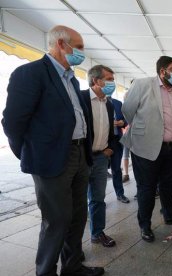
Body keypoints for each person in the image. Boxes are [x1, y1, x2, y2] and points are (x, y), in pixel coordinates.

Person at [2, 25, 104, 276]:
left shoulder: (71, 78)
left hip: (80, 155)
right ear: (61, 44)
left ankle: (72, 267)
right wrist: (32, 154)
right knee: (56, 221)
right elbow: (13, 122)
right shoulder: (31, 73)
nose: (81, 53)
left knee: (78, 216)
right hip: (52, 160)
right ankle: (45, 272)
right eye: (78, 47)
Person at [121, 56, 172, 243]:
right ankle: (145, 225)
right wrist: (143, 129)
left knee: (169, 184)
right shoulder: (143, 85)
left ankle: (170, 214)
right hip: (147, 147)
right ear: (162, 71)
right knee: (147, 188)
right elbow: (127, 111)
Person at [81, 65, 116, 248]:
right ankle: (72, 243)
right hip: (81, 158)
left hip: (101, 158)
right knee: (77, 201)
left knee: (98, 198)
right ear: (96, 81)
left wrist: (110, 147)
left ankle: (97, 232)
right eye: (109, 79)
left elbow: (109, 128)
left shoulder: (108, 104)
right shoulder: (81, 98)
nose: (112, 83)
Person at [108, 94, 130, 204]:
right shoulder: (93, 101)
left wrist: (122, 123)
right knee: (99, 171)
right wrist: (110, 123)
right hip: (102, 141)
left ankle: (120, 194)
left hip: (116, 140)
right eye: (108, 80)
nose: (110, 83)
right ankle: (97, 199)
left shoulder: (117, 103)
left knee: (116, 169)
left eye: (112, 80)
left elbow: (124, 120)